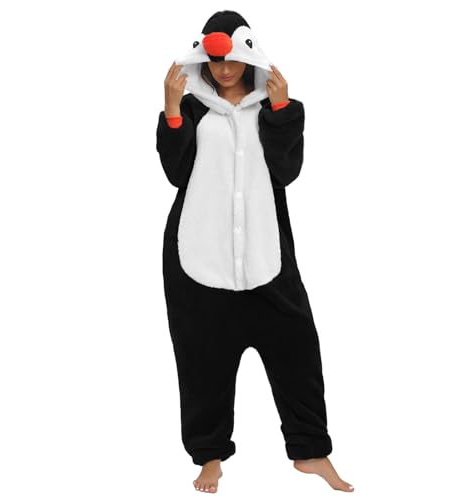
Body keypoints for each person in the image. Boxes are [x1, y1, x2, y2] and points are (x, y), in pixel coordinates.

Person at [156, 9, 354, 494]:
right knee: (202, 363)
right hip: (198, 256)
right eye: (216, 61)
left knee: (298, 351)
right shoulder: (192, 106)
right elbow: (176, 174)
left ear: (250, 56)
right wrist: (172, 110)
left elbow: (286, 173)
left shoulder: (276, 106)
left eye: (233, 60)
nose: (225, 70)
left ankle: (311, 452)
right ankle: (209, 457)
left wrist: (281, 111)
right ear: (203, 57)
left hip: (267, 254)